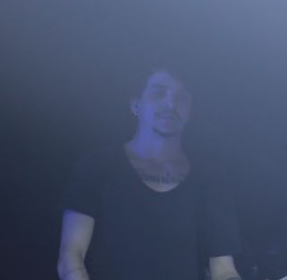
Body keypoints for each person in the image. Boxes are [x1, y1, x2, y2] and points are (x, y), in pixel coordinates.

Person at [58, 65, 244, 280]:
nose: (171, 104)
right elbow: (71, 256)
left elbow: (223, 269)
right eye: (159, 93)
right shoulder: (98, 166)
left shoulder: (210, 178)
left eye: (181, 97)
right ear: (136, 104)